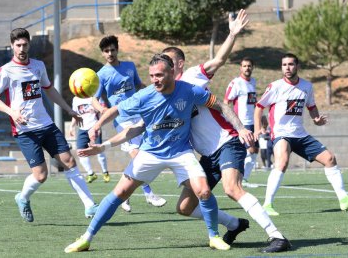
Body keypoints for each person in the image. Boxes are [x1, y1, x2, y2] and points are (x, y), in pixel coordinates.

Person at [80, 9, 291, 253]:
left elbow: (219, 63)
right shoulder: (158, 93)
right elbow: (137, 124)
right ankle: (234, 224)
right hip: (205, 154)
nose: (161, 70)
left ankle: (276, 235)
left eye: (167, 63)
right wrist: (100, 130)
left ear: (177, 65)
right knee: (185, 207)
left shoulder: (192, 78)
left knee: (232, 188)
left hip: (225, 142)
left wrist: (232, 34)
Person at [65, 53, 240, 253]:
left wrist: (240, 128)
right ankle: (86, 238)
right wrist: (97, 128)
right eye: (151, 76)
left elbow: (218, 104)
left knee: (204, 190)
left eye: (159, 75)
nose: (155, 79)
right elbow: (117, 112)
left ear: (172, 72)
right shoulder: (144, 96)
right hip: (150, 153)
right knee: (120, 192)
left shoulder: (190, 90)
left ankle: (214, 236)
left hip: (181, 152)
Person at [0, 28, 99, 222]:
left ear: (29, 44)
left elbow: (49, 89)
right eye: (18, 45)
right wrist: (12, 112)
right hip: (25, 131)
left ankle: (90, 206)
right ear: (12, 46)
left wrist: (68, 109)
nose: (22, 48)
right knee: (41, 176)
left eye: (25, 44)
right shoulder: (5, 71)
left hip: (46, 125)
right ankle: (22, 198)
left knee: (69, 162)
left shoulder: (38, 66)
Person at [254, 53, 348, 216]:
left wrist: (316, 119)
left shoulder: (307, 86)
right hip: (281, 133)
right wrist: (258, 128)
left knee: (329, 158)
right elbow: (259, 107)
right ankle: (267, 204)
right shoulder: (275, 86)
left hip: (300, 134)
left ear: (297, 66)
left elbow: (311, 106)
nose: (287, 68)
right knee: (282, 162)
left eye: (291, 64)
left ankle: (344, 199)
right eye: (284, 65)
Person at [91, 35, 166, 212]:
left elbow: (139, 85)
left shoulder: (129, 66)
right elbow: (94, 99)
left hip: (140, 115)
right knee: (137, 156)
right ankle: (149, 193)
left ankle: (125, 194)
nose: (110, 53)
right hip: (121, 119)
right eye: (106, 51)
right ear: (102, 53)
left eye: (112, 49)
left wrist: (155, 92)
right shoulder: (101, 75)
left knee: (142, 155)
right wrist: (102, 110)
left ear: (117, 50)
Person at [224, 57, 259, 185]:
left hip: (253, 122)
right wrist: (231, 121)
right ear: (240, 68)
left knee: (254, 151)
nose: (247, 68)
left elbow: (254, 102)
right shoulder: (236, 83)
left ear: (252, 67)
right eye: (244, 66)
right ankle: (238, 178)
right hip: (242, 123)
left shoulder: (253, 82)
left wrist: (261, 119)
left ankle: (244, 178)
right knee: (249, 150)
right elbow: (226, 102)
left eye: (249, 66)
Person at [69, 96, 110, 183]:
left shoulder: (95, 97)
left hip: (94, 126)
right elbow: (75, 114)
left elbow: (104, 110)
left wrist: (99, 125)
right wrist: (71, 126)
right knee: (80, 152)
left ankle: (105, 172)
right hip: (82, 129)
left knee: (99, 150)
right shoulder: (75, 99)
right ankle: (91, 174)